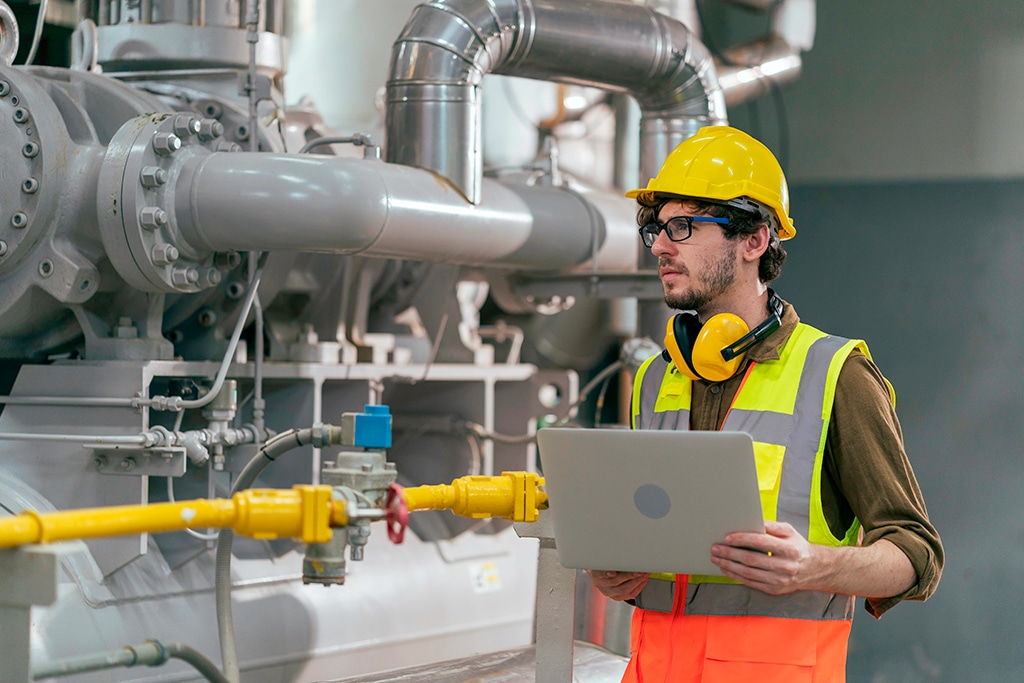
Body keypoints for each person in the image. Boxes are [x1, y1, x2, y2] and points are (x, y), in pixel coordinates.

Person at [587, 126, 943, 682]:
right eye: (655, 228)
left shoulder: (835, 375)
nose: (659, 245)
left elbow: (917, 556)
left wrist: (814, 566)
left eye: (683, 226)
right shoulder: (656, 378)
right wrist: (620, 574)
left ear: (754, 241)